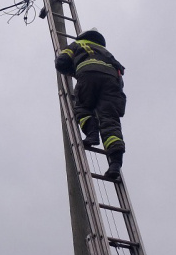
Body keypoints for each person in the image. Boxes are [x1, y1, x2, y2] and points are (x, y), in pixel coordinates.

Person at [54, 29, 127, 181]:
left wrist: (73, 72)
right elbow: (120, 75)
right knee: (110, 120)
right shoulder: (106, 53)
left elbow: (61, 61)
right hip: (112, 82)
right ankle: (115, 165)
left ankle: (92, 135)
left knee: (82, 107)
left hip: (88, 74)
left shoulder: (77, 44)